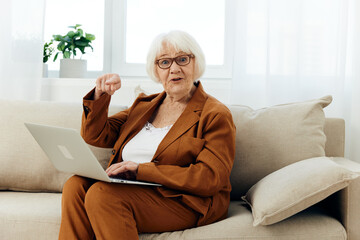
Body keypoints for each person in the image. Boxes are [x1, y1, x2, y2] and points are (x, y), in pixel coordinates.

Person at [59, 30, 236, 240]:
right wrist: (101, 95)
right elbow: (96, 136)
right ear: (156, 70)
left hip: (184, 200)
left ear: (196, 64)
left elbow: (210, 178)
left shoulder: (215, 114)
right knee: (75, 185)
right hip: (134, 189)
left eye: (182, 59)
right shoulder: (144, 106)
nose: (174, 69)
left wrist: (140, 171)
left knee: (102, 195)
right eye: (164, 63)